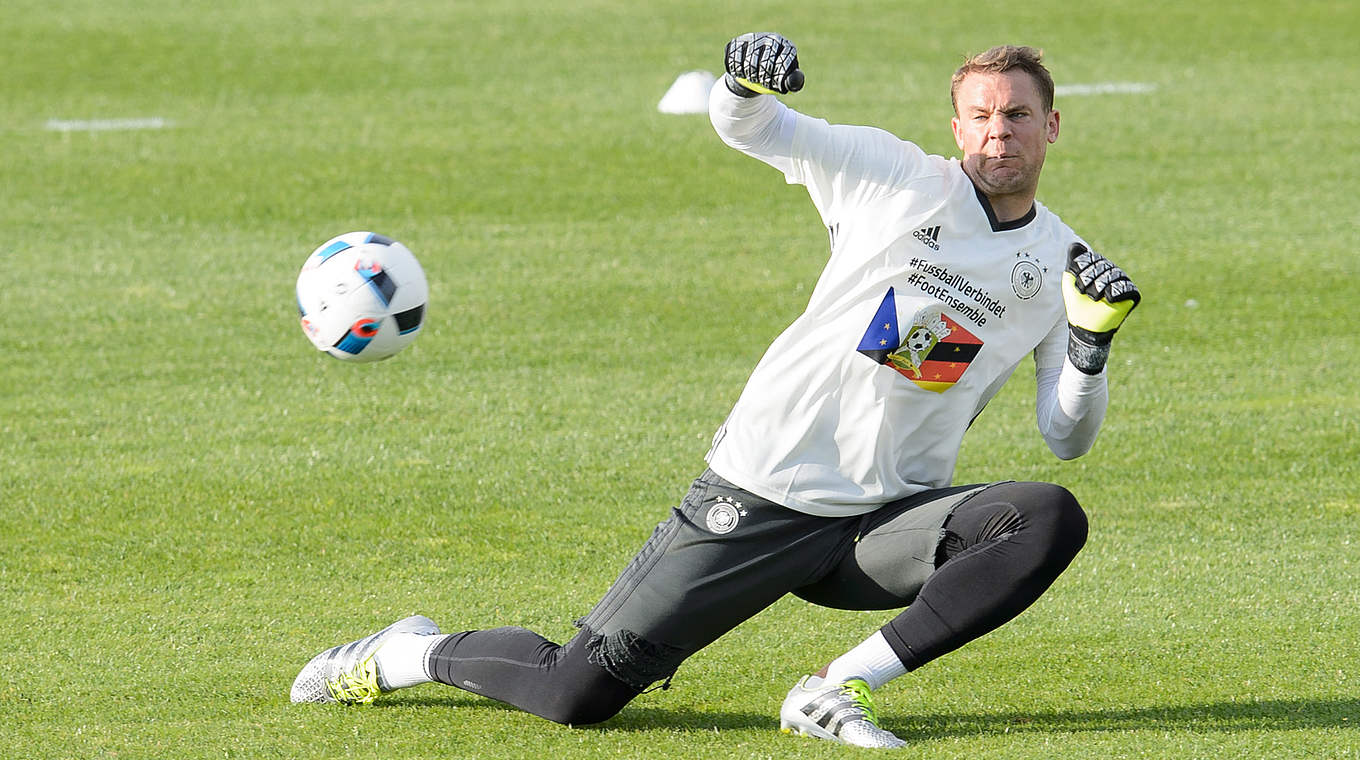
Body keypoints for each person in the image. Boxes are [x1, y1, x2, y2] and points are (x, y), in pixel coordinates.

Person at [290, 32, 1141, 749]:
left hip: (880, 525)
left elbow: (1065, 437)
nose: (1000, 134)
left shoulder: (1061, 268)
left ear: (1052, 127)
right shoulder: (895, 178)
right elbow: (753, 127)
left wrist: (1091, 345)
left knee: (1045, 516)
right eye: (984, 116)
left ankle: (837, 688)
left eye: (1019, 116)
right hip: (763, 492)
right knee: (575, 695)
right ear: (956, 125)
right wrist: (742, 79)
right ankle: (407, 653)